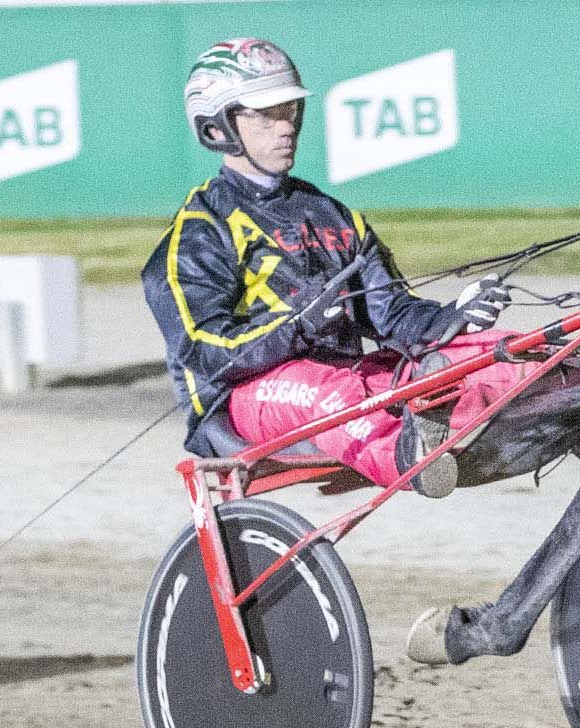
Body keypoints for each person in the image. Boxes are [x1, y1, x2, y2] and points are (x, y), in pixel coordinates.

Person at [142, 37, 521, 497]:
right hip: (245, 403)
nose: (286, 127)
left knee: (496, 352)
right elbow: (205, 351)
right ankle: (412, 459)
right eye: (266, 115)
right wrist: (298, 326)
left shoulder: (335, 215)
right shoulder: (201, 230)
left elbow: (390, 315)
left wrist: (453, 317)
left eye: (291, 111)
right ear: (216, 129)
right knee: (335, 391)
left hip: (345, 380)